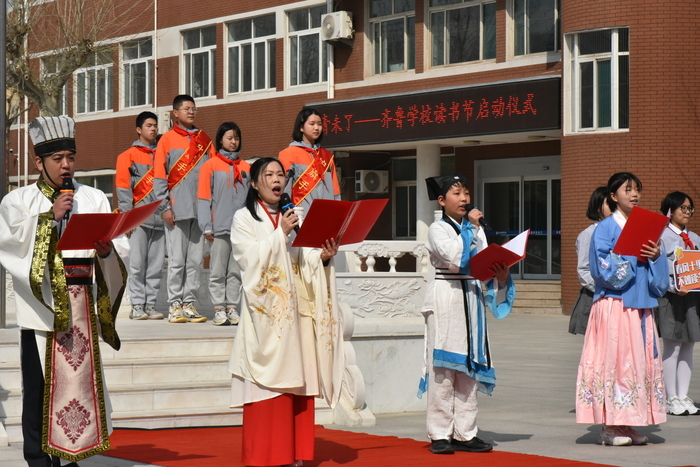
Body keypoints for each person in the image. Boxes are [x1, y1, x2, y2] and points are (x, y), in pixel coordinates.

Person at [0, 116, 126, 466]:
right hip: (42, 308)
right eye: (57, 159)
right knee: (39, 390)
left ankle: (73, 456)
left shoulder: (95, 196)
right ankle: (38, 459)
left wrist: (106, 250)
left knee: (79, 388)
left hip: (82, 304)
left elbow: (119, 245)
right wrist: (49, 219)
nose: (66, 165)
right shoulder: (19, 201)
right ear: (39, 162)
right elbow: (9, 245)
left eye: (71, 156)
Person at [228, 157, 344, 467]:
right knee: (269, 385)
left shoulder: (295, 215)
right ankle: (267, 455)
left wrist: (323, 257)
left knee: (299, 382)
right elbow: (248, 261)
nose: (277, 179)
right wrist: (280, 234)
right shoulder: (244, 218)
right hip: (268, 316)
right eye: (269, 174)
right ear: (254, 183)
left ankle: (296, 454)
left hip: (299, 313)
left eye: (281, 174)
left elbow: (304, 260)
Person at [418, 175, 516, 455]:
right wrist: (471, 230)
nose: (463, 199)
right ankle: (439, 432)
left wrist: (500, 274)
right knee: (443, 370)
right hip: (446, 296)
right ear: (441, 201)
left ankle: (466, 431)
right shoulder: (437, 229)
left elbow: (481, 261)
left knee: (470, 369)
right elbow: (453, 257)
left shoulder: (474, 229)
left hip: (471, 296)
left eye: (466, 193)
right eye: (456, 193)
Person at [576, 172, 668, 446]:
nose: (635, 194)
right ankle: (609, 426)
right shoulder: (604, 228)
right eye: (628, 190)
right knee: (615, 363)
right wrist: (631, 253)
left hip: (640, 306)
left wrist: (656, 256)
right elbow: (600, 268)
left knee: (635, 364)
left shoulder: (648, 226)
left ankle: (628, 423)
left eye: (637, 189)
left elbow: (659, 281)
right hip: (615, 305)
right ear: (613, 196)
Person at [154, 94, 216, 323]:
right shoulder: (166, 140)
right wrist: (164, 207)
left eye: (194, 108)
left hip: (200, 210)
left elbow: (213, 175)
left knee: (195, 261)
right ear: (175, 113)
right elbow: (159, 176)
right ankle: (174, 305)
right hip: (176, 210)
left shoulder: (205, 140)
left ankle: (189, 303)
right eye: (186, 108)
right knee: (177, 260)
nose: (191, 112)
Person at [196, 122, 250, 326]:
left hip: (241, 229)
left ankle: (232, 308)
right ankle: (219, 309)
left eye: (236, 138)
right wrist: (206, 226)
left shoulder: (246, 168)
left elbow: (250, 200)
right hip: (218, 228)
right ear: (220, 140)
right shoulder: (209, 166)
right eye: (229, 138)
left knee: (236, 271)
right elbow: (203, 198)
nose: (233, 142)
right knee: (218, 271)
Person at [115, 111, 165, 320]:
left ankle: (150, 305)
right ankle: (137, 306)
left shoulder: (164, 155)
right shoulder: (127, 156)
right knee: (137, 265)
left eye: (155, 125)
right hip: (139, 219)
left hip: (161, 218)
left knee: (155, 265)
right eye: (149, 126)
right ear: (138, 129)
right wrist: (128, 218)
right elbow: (123, 189)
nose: (153, 129)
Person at [656, 191, 700, 416]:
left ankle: (683, 396)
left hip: (692, 298)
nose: (687, 212)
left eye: (690, 208)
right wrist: (673, 287)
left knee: (689, 345)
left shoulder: (695, 238)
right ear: (670, 210)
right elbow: (658, 270)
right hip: (670, 297)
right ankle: (670, 397)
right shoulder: (661, 237)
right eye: (683, 208)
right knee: (672, 347)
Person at [278, 107, 341, 213]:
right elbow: (283, 189)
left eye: (319, 124)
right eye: (312, 124)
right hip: (301, 217)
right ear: (301, 127)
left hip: (327, 214)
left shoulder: (327, 157)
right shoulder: (288, 154)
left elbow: (335, 191)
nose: (316, 128)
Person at [569, 186, 612, 335]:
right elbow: (584, 270)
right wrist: (604, 289)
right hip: (596, 296)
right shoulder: (588, 235)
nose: (614, 208)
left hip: (618, 299)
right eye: (609, 203)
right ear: (597, 206)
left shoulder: (620, 231)